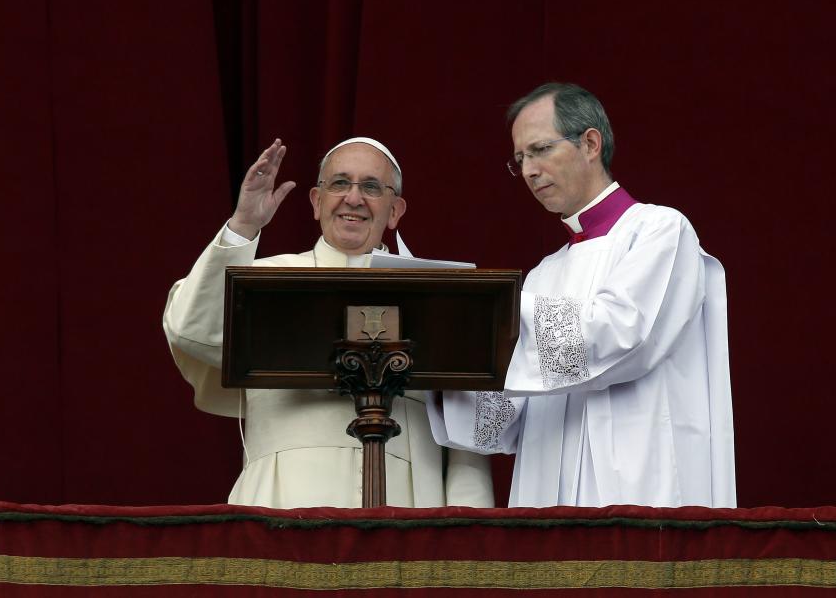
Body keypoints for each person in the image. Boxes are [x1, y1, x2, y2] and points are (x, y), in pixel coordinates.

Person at [427, 83, 736, 508]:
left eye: (539, 149)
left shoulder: (659, 230)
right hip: (547, 494)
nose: (530, 170)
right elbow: (497, 423)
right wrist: (448, 360)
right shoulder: (543, 274)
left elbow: (619, 334)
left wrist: (484, 307)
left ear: (590, 143)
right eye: (520, 160)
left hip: (637, 479)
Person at [163, 136, 494, 508]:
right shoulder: (264, 280)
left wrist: (469, 530)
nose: (354, 198)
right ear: (317, 202)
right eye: (339, 183)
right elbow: (192, 330)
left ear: (396, 210)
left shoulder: (440, 296)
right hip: (285, 501)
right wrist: (243, 225)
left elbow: (467, 435)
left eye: (371, 186)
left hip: (411, 506)